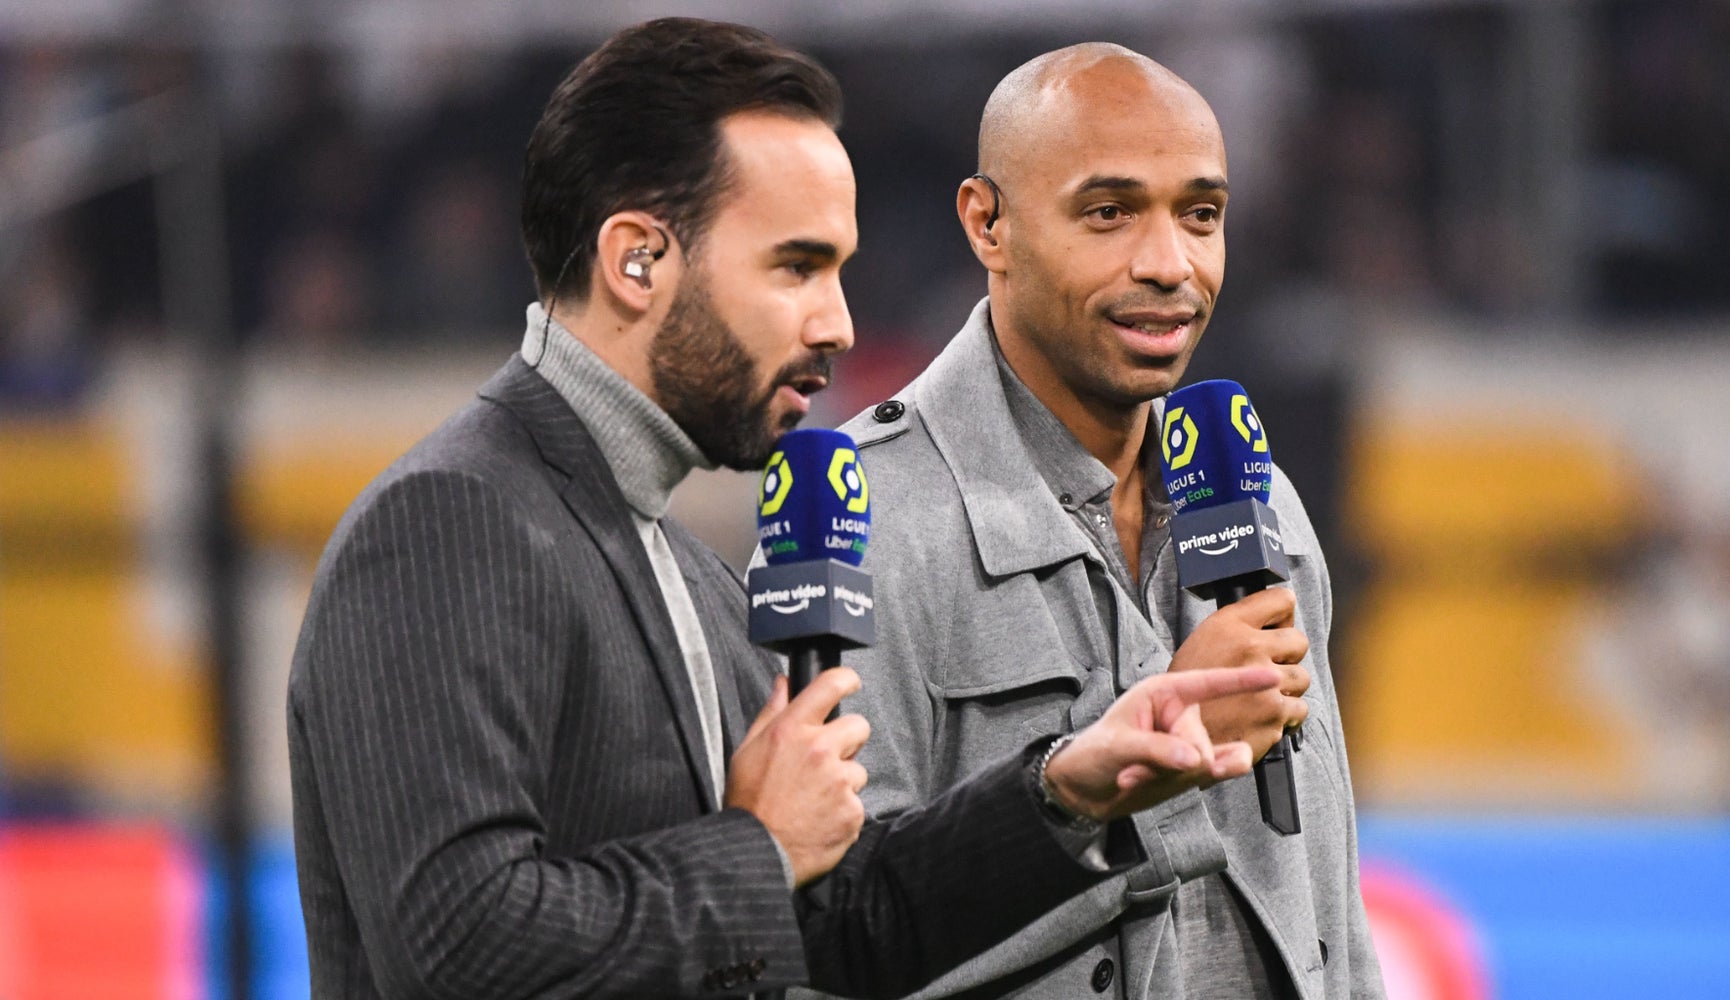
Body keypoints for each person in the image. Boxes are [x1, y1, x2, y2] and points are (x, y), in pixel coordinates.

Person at [286, 21, 1285, 1000]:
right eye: (795, 266)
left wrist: (1071, 784)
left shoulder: (689, 574)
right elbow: (452, 944)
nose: (837, 322)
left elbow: (841, 931)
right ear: (636, 261)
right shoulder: (452, 520)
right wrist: (756, 849)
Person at [818, 44, 1385, 998]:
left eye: (1200, 215)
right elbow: (836, 939)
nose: (1171, 265)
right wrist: (1112, 785)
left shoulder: (1262, 505)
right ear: (987, 223)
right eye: (1109, 212)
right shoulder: (867, 523)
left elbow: (1331, 912)